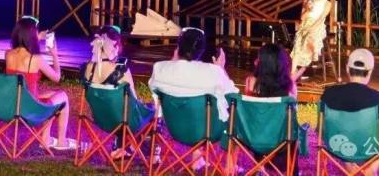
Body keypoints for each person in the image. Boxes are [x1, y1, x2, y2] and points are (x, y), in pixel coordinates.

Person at [148, 27, 238, 170]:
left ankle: (198, 159)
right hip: (207, 131)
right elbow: (233, 94)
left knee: (196, 108)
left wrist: (173, 61)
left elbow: (154, 88)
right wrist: (222, 69)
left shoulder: (159, 68)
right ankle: (230, 167)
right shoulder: (211, 71)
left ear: (178, 47)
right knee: (231, 111)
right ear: (201, 49)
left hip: (175, 129)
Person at [4, 16, 76, 150]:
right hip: (30, 110)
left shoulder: (8, 54)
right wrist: (54, 55)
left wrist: (37, 37)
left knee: (51, 95)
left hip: (13, 105)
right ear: (32, 35)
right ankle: (61, 142)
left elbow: (24, 47)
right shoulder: (36, 59)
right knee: (63, 96)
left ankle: (46, 139)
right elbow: (57, 77)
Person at [320, 49, 379, 176]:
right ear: (370, 71)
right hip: (370, 149)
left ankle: (353, 171)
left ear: (347, 69)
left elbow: (321, 128)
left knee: (346, 138)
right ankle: (370, 172)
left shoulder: (328, 94)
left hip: (337, 148)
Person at [84, 25, 145, 159]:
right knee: (148, 113)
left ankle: (122, 147)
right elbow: (134, 101)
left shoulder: (87, 68)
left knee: (119, 110)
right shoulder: (121, 70)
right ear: (115, 47)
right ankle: (151, 155)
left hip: (101, 120)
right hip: (123, 122)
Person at [244, 43, 299, 174]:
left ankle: (261, 167)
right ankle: (291, 171)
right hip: (281, 140)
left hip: (253, 137)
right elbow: (293, 116)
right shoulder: (289, 87)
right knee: (291, 129)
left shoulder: (251, 83)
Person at [291, 0, 331, 79]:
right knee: (299, 40)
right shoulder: (307, 1)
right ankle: (293, 71)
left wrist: (312, 27)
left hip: (317, 25)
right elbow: (302, 17)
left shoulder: (327, 3)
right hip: (305, 24)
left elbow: (321, 18)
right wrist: (308, 10)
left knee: (309, 37)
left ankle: (310, 61)